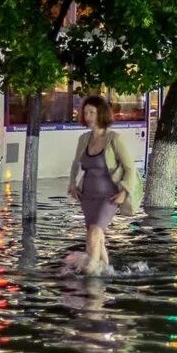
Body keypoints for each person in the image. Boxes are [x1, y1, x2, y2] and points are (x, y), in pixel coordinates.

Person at [68, 94, 138, 275]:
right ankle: (106, 273)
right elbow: (76, 164)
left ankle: (90, 274)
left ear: (102, 114)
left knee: (93, 232)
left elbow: (130, 168)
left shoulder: (114, 139)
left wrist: (124, 191)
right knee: (95, 236)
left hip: (109, 196)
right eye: (86, 113)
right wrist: (72, 185)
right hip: (87, 196)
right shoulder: (83, 139)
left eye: (92, 112)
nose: (88, 117)